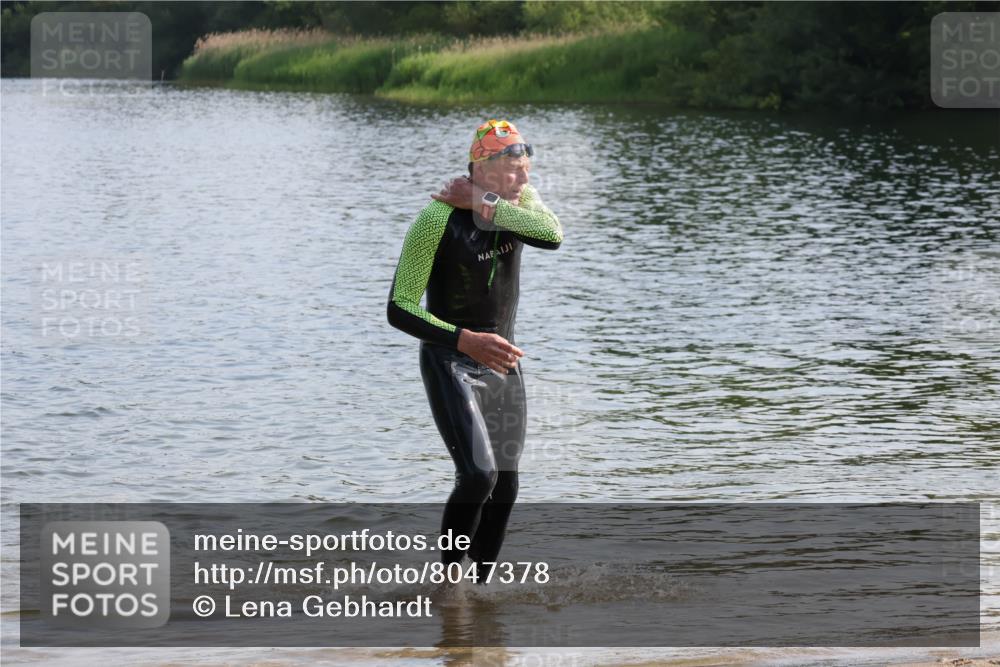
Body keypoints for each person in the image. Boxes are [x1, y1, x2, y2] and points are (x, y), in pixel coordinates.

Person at [386, 119, 562, 576]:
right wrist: (465, 340)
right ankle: (450, 588)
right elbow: (400, 307)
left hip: (502, 363)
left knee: (505, 484)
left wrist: (485, 202)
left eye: (526, 170)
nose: (524, 180)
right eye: (513, 171)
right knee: (478, 476)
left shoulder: (520, 201)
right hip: (450, 360)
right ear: (481, 167)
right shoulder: (435, 219)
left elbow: (552, 236)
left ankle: (479, 593)